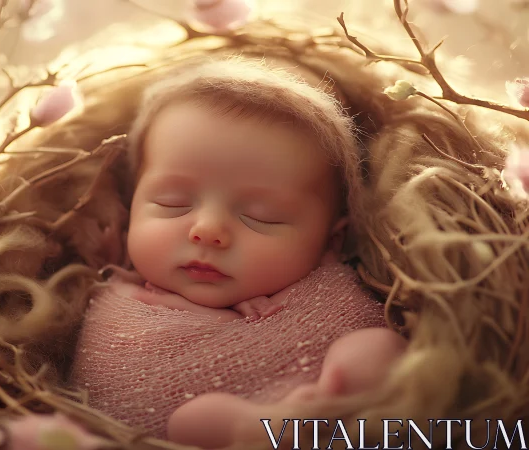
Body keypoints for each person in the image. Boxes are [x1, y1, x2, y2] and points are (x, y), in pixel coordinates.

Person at [69, 56, 406, 446]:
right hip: (197, 428)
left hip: (324, 411)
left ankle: (305, 418)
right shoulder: (120, 297)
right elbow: (113, 380)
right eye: (173, 202)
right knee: (199, 419)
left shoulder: (326, 297)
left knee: (375, 350)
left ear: (330, 243)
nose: (208, 230)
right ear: (130, 211)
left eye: (261, 216)